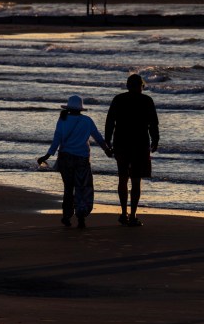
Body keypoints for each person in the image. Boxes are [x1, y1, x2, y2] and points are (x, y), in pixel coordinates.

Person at [38, 94, 112, 229]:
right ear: (80, 108)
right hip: (82, 159)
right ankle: (81, 218)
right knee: (82, 188)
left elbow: (57, 139)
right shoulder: (87, 121)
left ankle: (66, 216)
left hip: (65, 158)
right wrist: (107, 150)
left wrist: (47, 155)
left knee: (68, 188)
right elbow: (98, 138)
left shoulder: (62, 120)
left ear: (69, 107)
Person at [104, 73, 159, 226]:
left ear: (128, 86)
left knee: (123, 178)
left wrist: (107, 140)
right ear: (142, 86)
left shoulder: (119, 99)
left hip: (121, 143)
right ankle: (133, 215)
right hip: (140, 144)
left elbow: (110, 122)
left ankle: (123, 213)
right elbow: (153, 124)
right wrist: (155, 140)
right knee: (136, 180)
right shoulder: (147, 100)